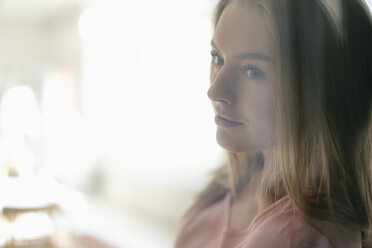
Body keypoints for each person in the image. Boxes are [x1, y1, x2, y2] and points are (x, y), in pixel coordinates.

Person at [174, 0, 372, 247]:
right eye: (218, 58)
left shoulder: (298, 237)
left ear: (322, 93)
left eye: (253, 71)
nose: (215, 91)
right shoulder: (242, 175)